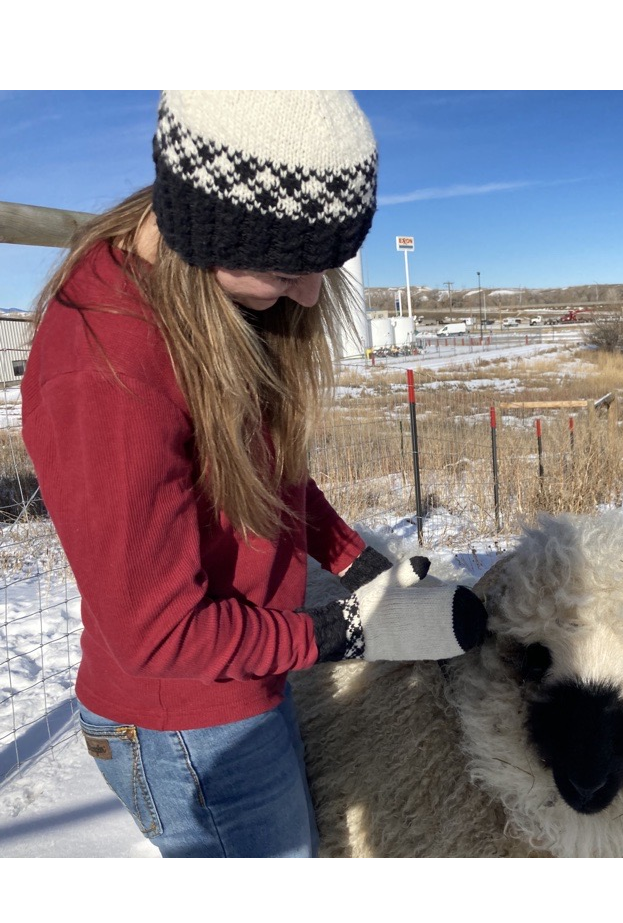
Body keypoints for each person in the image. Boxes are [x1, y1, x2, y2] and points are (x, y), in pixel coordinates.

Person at [20, 90, 487, 858]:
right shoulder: (109, 374)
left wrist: (356, 560)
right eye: (286, 268)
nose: (308, 293)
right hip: (189, 725)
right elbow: (159, 634)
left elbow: (266, 479)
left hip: (237, 680)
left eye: (322, 266)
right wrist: (350, 630)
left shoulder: (205, 305)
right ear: (207, 227)